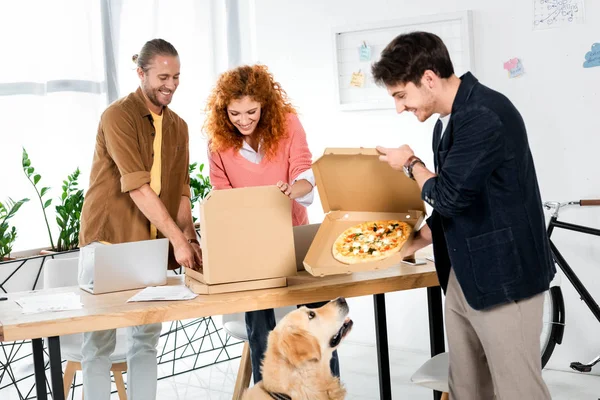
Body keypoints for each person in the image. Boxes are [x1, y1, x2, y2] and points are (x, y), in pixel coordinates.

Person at [372, 32, 554, 399]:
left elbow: (450, 195)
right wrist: (419, 238)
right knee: (466, 388)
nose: (399, 108)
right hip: (464, 276)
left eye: (400, 95)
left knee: (518, 391)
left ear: (428, 78)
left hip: (505, 280)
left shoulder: (484, 115)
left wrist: (411, 163)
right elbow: (463, 195)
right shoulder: (449, 122)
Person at [78, 38, 201, 400]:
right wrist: (177, 241)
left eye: (177, 77)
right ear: (141, 73)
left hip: (150, 245)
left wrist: (189, 235)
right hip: (109, 240)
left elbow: (180, 190)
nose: (171, 85)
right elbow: (138, 188)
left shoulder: (178, 125)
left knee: (146, 339)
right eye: (163, 76)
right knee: (99, 341)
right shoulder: (118, 116)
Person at [204, 64, 340, 383]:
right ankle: (267, 388)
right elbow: (224, 200)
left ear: (264, 105)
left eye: (251, 111)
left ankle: (327, 389)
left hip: (294, 235)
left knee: (318, 318)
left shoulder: (288, 124)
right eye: (234, 113)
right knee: (258, 321)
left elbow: (306, 175)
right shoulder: (217, 144)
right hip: (252, 247)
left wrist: (289, 191)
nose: (243, 120)